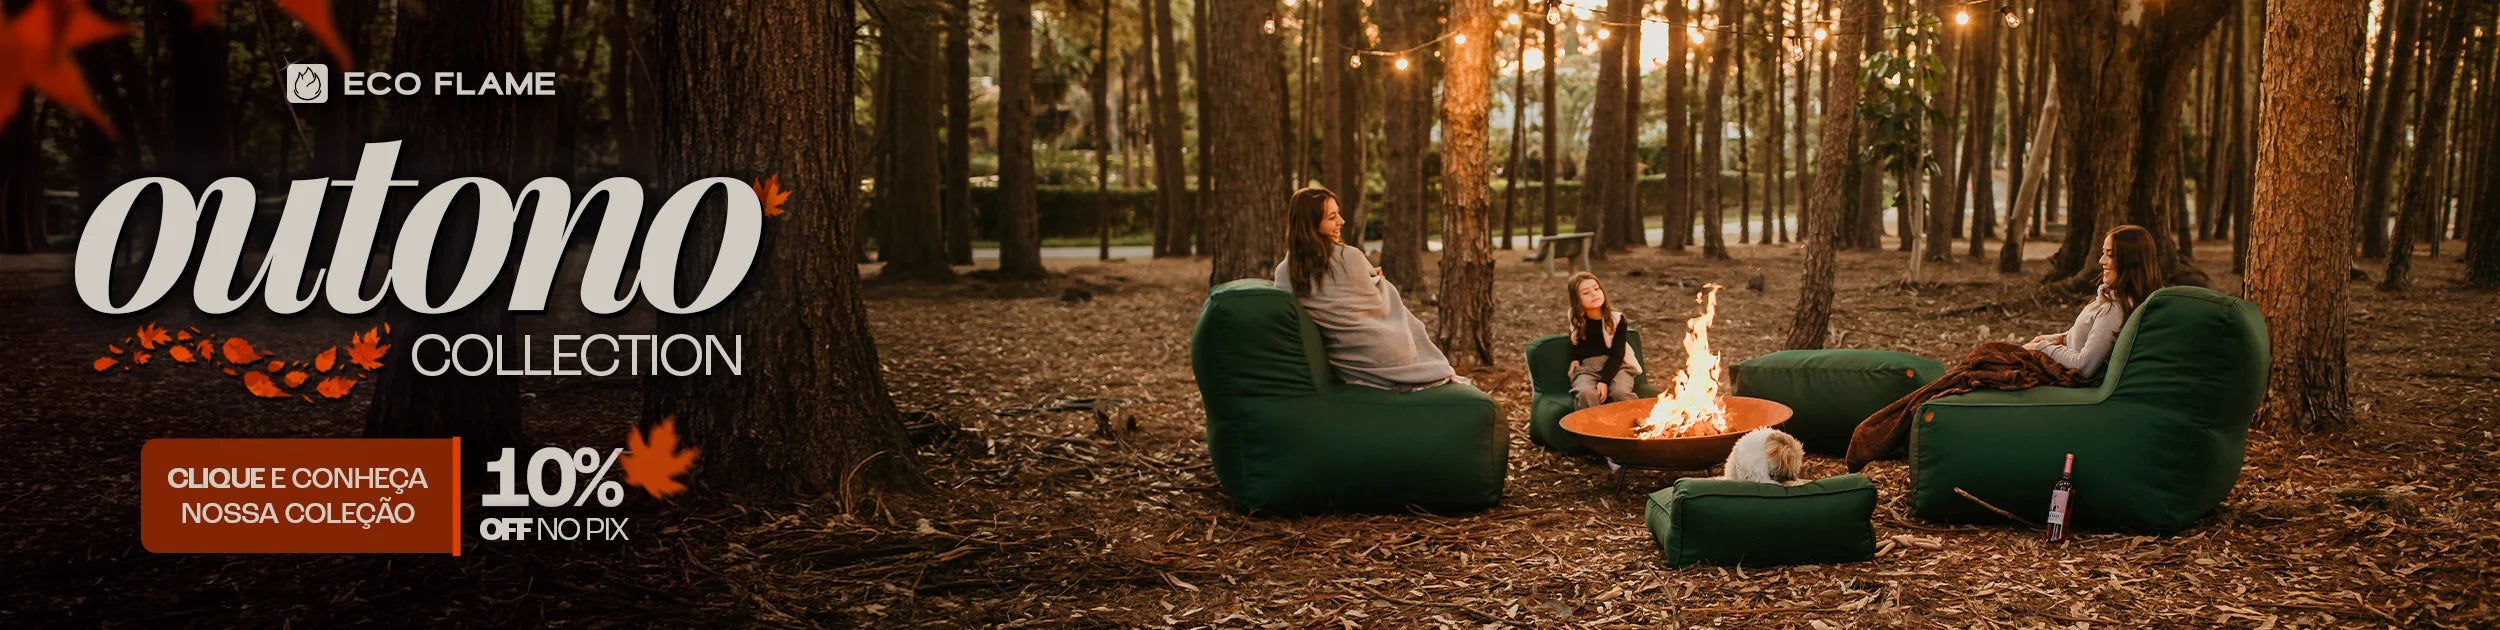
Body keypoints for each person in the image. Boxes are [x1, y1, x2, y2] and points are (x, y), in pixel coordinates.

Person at [1844, 225, 2167, 471]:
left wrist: (2043, 347)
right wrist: (2049, 338)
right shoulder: (2110, 301)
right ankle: (1900, 421)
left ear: (2129, 260)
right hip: (2055, 360)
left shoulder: (2113, 310)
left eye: (2109, 254)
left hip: (2065, 374)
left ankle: (1885, 429)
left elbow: (2084, 365)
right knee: (1978, 362)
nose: (2101, 260)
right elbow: (2075, 336)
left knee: (1981, 362)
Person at [1272, 187, 1460, 391]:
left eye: (1338, 214)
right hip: (1387, 357)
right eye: (1332, 217)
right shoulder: (1349, 256)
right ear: (1310, 224)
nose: (1341, 221)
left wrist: (1370, 279)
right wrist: (1379, 282)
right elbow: (1375, 303)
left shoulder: (1284, 271)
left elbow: (1333, 296)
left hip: (1346, 363)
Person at [1561, 272, 1644, 409]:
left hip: (1617, 365)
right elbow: (1576, 340)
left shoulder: (1617, 319)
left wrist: (1604, 381)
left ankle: (1632, 421)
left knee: (1620, 392)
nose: (1594, 294)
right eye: (1586, 293)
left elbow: (1617, 354)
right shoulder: (1575, 317)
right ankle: (1592, 423)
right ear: (1577, 300)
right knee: (1586, 393)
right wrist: (1574, 358)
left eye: (1596, 288)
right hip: (1587, 369)